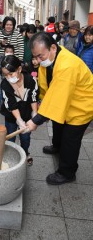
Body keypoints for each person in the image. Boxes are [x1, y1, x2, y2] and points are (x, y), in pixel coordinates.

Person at [26, 32, 93, 185]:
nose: (37, 61)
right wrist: (40, 100)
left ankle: (67, 172)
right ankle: (57, 146)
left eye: (40, 56)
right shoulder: (51, 58)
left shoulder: (67, 65)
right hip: (67, 100)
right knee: (58, 124)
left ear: (53, 47)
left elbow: (58, 98)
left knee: (70, 140)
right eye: (35, 57)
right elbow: (47, 85)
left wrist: (36, 120)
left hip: (81, 105)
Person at [0, 55, 38, 165]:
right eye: (5, 75)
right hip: (11, 117)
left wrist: (34, 113)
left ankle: (25, 153)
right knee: (10, 137)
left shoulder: (30, 80)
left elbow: (33, 97)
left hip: (26, 115)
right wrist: (19, 120)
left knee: (25, 138)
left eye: (11, 74)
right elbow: (11, 105)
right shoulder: (5, 84)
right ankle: (10, 155)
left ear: (19, 69)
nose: (8, 77)